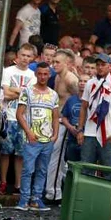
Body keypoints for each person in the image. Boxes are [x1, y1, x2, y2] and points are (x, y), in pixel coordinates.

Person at [15, 62, 59, 211]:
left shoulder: (53, 94)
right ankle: (24, 199)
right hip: (32, 138)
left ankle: (36, 199)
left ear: (49, 75)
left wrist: (55, 135)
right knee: (28, 169)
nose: (42, 77)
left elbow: (55, 116)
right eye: (39, 73)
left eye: (45, 74)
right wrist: (28, 132)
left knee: (42, 170)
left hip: (47, 139)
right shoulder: (27, 91)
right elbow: (19, 114)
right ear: (36, 74)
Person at [77, 54, 111, 176]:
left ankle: (106, 195)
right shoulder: (90, 83)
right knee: (85, 169)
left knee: (108, 171)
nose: (100, 67)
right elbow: (83, 108)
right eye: (98, 65)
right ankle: (84, 195)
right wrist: (80, 129)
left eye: (103, 65)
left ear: (110, 66)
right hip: (89, 133)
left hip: (108, 134)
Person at [0, 43, 37, 195]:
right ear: (17, 56)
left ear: (32, 58)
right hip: (8, 116)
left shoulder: (32, 76)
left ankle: (18, 184)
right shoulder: (8, 71)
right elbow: (5, 94)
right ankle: (2, 182)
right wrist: (22, 92)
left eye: (28, 56)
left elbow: (31, 97)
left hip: (23, 119)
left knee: (20, 154)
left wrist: (15, 91)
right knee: (5, 152)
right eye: (23, 55)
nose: (25, 58)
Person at [45, 49, 78, 204]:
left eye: (57, 62)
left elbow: (80, 100)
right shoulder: (57, 77)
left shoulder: (71, 80)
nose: (54, 64)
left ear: (67, 64)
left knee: (56, 157)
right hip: (55, 120)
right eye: (53, 61)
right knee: (52, 156)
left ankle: (54, 193)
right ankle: (54, 190)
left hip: (65, 122)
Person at [62, 74, 91, 162]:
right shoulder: (71, 99)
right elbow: (64, 117)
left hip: (87, 140)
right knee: (70, 166)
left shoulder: (92, 100)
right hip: (72, 139)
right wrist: (70, 128)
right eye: (80, 81)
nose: (82, 83)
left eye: (85, 81)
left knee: (85, 166)